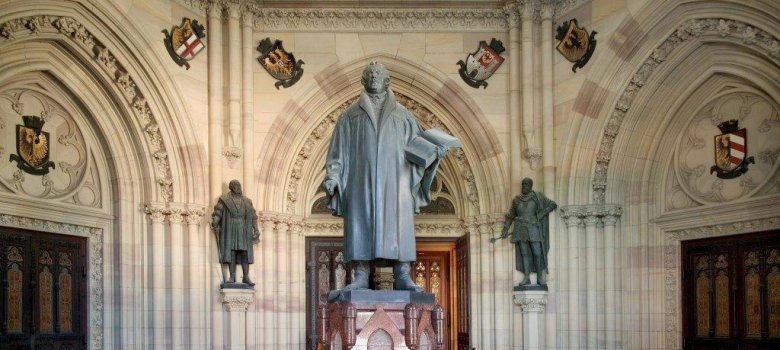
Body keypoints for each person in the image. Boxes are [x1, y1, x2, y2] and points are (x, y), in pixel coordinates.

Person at [322, 62, 449, 292]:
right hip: (361, 182)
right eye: (369, 74)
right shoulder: (349, 117)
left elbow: (419, 149)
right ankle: (360, 274)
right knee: (361, 222)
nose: (373, 77)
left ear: (387, 81)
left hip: (396, 181)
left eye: (378, 74)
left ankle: (403, 274)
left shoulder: (404, 116)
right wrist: (333, 176)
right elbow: (337, 153)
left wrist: (434, 153)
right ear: (363, 80)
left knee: (399, 224)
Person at [490, 177, 557, 287]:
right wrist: (506, 229)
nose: (524, 186)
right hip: (520, 228)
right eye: (523, 184)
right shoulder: (517, 199)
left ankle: (540, 276)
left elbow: (552, 204)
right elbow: (511, 215)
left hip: (533, 227)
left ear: (531, 186)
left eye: (526, 184)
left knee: (537, 252)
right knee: (524, 253)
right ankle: (526, 277)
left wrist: (541, 214)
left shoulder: (537, 197)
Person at [211, 180, 260, 286]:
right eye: (235, 186)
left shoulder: (247, 201)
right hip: (231, 228)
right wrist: (215, 221)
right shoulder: (224, 200)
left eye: (239, 185)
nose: (238, 187)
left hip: (244, 229)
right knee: (231, 252)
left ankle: (246, 277)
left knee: (244, 253)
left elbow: (253, 216)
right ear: (231, 188)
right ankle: (232, 276)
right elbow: (218, 212)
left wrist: (256, 229)